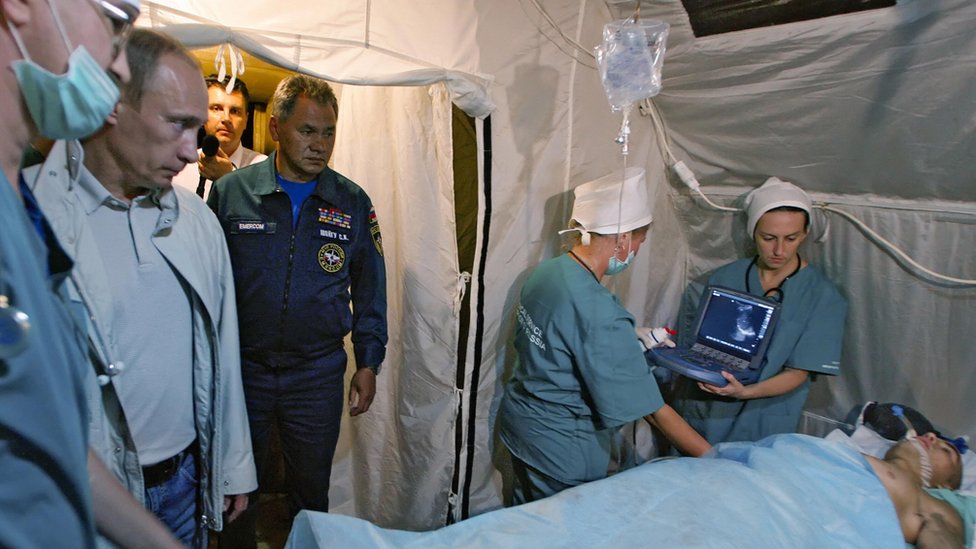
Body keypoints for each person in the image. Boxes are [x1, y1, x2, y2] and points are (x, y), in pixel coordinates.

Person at [24, 28, 257, 545]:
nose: (190, 150)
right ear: (111, 106)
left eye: (196, 129)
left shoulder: (197, 221)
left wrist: (232, 464)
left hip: (184, 484)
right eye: (177, 125)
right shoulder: (31, 221)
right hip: (79, 497)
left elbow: (224, 347)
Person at [208, 74, 387, 546]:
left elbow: (371, 288)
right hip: (243, 368)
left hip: (316, 374)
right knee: (235, 486)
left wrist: (369, 361)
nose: (320, 144)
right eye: (308, 131)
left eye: (328, 132)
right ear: (277, 130)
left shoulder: (351, 202)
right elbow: (206, 283)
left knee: (311, 491)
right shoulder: (232, 195)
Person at [498, 168, 711, 505]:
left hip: (523, 427)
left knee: (527, 520)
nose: (637, 249)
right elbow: (653, 410)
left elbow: (561, 336)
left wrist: (625, 338)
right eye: (640, 240)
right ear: (624, 239)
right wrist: (714, 460)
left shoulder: (546, 272)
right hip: (562, 449)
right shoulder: (599, 311)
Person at [671, 177, 848, 445]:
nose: (779, 250)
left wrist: (745, 392)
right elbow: (698, 345)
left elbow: (798, 373)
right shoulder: (724, 279)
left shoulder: (822, 297)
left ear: (805, 234)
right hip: (705, 411)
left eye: (791, 238)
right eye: (768, 238)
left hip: (763, 419)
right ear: (752, 232)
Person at [172, 74, 267, 200]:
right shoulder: (179, 169)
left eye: (235, 111)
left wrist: (230, 179)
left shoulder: (264, 168)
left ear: (246, 120)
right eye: (217, 108)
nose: (226, 118)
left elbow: (266, 216)